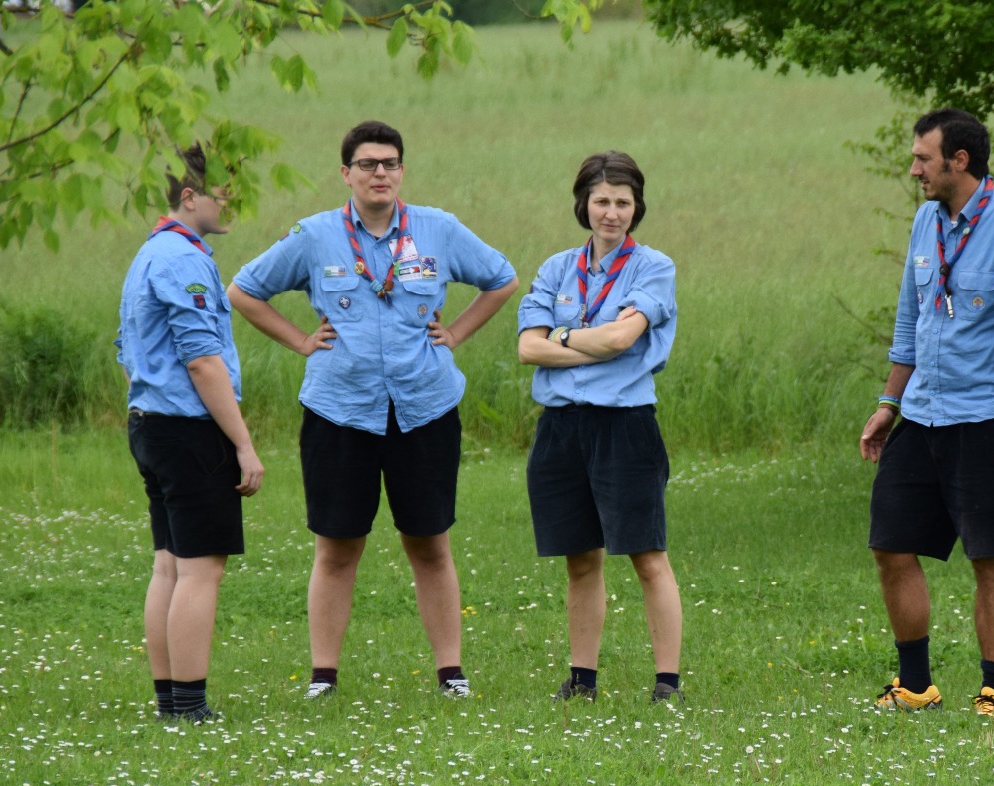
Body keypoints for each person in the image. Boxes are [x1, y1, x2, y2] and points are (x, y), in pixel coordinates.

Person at [227, 120, 518, 700]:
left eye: (389, 163)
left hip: (424, 407)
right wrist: (301, 341)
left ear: (402, 171)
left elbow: (502, 279)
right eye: (367, 164)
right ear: (347, 173)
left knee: (429, 542)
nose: (379, 173)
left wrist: (456, 333)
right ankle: (323, 678)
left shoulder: (438, 229)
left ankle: (451, 674)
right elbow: (243, 291)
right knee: (337, 546)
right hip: (340, 410)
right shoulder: (314, 235)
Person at [859, 109, 994, 717]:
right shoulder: (926, 220)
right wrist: (889, 404)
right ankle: (916, 686)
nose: (914, 169)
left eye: (923, 158)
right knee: (891, 547)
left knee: (988, 557)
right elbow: (909, 324)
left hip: (986, 418)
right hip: (922, 415)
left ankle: (993, 689)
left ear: (960, 161)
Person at [518, 151, 684, 704]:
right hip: (561, 427)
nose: (611, 213)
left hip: (624, 426)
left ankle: (667, 684)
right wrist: (594, 343)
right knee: (580, 558)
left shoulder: (653, 267)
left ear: (637, 208)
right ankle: (581, 681)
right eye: (601, 201)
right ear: (583, 204)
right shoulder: (556, 268)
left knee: (647, 555)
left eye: (623, 202)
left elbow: (619, 338)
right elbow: (527, 348)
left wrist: (562, 337)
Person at [117, 142, 265, 724]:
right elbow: (202, 360)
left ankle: (170, 703)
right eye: (224, 196)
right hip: (187, 430)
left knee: (170, 564)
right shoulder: (183, 259)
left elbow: (127, 352)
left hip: (149, 424)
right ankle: (190, 706)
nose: (232, 207)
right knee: (201, 569)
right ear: (189, 197)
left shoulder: (147, 254)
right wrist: (243, 444)